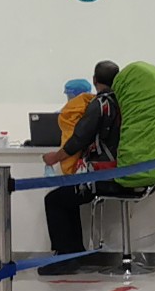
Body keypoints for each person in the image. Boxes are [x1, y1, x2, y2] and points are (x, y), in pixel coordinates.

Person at [39, 60, 137, 274]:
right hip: (121, 172)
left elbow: (79, 139)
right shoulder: (123, 103)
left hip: (101, 176)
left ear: (94, 80)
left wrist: (55, 157)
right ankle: (75, 254)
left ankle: (66, 258)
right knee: (65, 198)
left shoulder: (99, 104)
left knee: (54, 200)